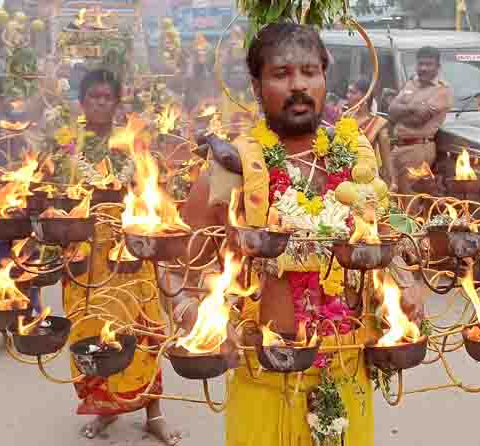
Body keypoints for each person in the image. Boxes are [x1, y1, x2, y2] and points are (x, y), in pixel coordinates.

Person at [180, 23, 422, 446]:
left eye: (310, 71)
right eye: (281, 73)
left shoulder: (356, 162)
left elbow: (384, 244)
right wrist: (193, 315)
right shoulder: (230, 168)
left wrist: (405, 289)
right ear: (256, 87)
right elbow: (175, 261)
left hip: (347, 366)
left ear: (325, 78)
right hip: (262, 373)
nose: (298, 86)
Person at [56, 70, 180, 445]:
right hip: (85, 257)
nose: (100, 103)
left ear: (116, 102)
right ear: (81, 102)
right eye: (92, 97)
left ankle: (153, 412)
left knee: (144, 329)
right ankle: (104, 409)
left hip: (130, 255)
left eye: (107, 97)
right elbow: (52, 201)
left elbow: (156, 195)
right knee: (91, 332)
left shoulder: (135, 147)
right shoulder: (65, 148)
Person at [389, 46, 452, 194]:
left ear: (438, 67)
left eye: (428, 64)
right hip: (397, 147)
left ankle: (412, 218)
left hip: (417, 150)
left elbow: (418, 119)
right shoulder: (412, 83)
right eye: (420, 64)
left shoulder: (442, 91)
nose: (423, 68)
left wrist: (403, 107)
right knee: (392, 196)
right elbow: (392, 110)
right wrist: (414, 107)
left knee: (410, 198)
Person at [346, 78, 393, 184]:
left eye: (352, 92)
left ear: (366, 96)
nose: (347, 96)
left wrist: (391, 184)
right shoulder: (344, 118)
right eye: (348, 92)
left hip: (367, 181)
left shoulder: (378, 123)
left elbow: (387, 162)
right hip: (344, 179)